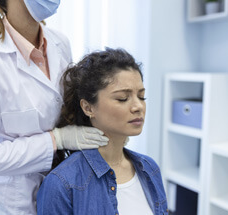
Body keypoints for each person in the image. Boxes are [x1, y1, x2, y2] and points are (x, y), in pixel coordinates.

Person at [0, 0, 108, 214]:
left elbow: (69, 109)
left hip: (62, 196)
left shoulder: (60, 43)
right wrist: (56, 140)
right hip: (13, 206)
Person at [37, 48, 168, 215]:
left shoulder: (150, 168)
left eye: (141, 97)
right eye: (123, 98)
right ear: (88, 107)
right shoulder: (62, 184)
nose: (138, 107)